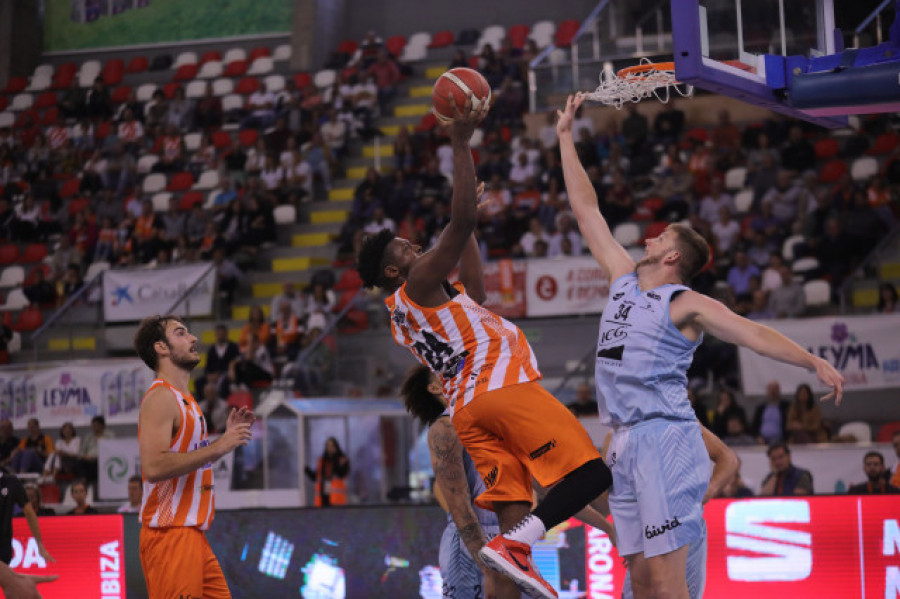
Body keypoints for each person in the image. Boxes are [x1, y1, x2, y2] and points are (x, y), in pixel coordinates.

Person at [556, 93, 843, 599]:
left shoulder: (685, 302)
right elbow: (586, 211)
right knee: (639, 579)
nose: (648, 238)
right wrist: (564, 138)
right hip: (622, 441)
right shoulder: (622, 279)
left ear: (672, 257)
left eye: (659, 236)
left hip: (665, 438)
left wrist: (810, 359)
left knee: (667, 584)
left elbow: (751, 332)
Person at [357, 97, 611, 599]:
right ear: (393, 272)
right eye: (407, 249)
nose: (417, 248)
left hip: (472, 411)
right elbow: (457, 226)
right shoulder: (417, 284)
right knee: (590, 473)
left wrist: (465, 227)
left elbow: (475, 288)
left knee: (507, 548)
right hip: (501, 386)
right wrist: (459, 143)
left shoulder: (411, 310)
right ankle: (527, 544)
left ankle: (513, 554)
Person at [134, 314, 254, 599]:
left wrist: (221, 440)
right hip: (169, 535)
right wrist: (219, 446)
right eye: (180, 333)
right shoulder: (160, 397)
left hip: (192, 535)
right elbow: (153, 467)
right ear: (161, 348)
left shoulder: (186, 400)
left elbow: (189, 458)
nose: (193, 338)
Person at [401, 365, 529, 599]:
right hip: (471, 543)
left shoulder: (489, 421)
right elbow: (459, 507)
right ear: (435, 387)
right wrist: (487, 568)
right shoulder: (445, 428)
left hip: (508, 538)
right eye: (447, 372)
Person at [0, 469, 54, 565]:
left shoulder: (11, 482)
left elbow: (29, 513)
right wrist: (40, 545)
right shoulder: (11, 481)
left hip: (4, 546)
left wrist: (40, 545)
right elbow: (29, 513)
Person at [303, 437, 350, 507]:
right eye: (328, 446)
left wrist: (335, 460)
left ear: (336, 447)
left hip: (336, 500)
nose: (330, 448)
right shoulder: (322, 462)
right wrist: (307, 471)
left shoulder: (342, 459)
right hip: (323, 499)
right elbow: (316, 477)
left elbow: (342, 473)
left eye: (332, 446)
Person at [76, 416, 114, 486]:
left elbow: (113, 449)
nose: (94, 427)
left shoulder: (109, 436)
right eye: (93, 425)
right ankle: (84, 482)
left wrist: (101, 456)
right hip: (88, 459)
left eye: (97, 425)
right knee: (80, 463)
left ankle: (95, 485)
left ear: (102, 425)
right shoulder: (88, 437)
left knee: (96, 465)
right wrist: (85, 457)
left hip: (103, 459)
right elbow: (81, 452)